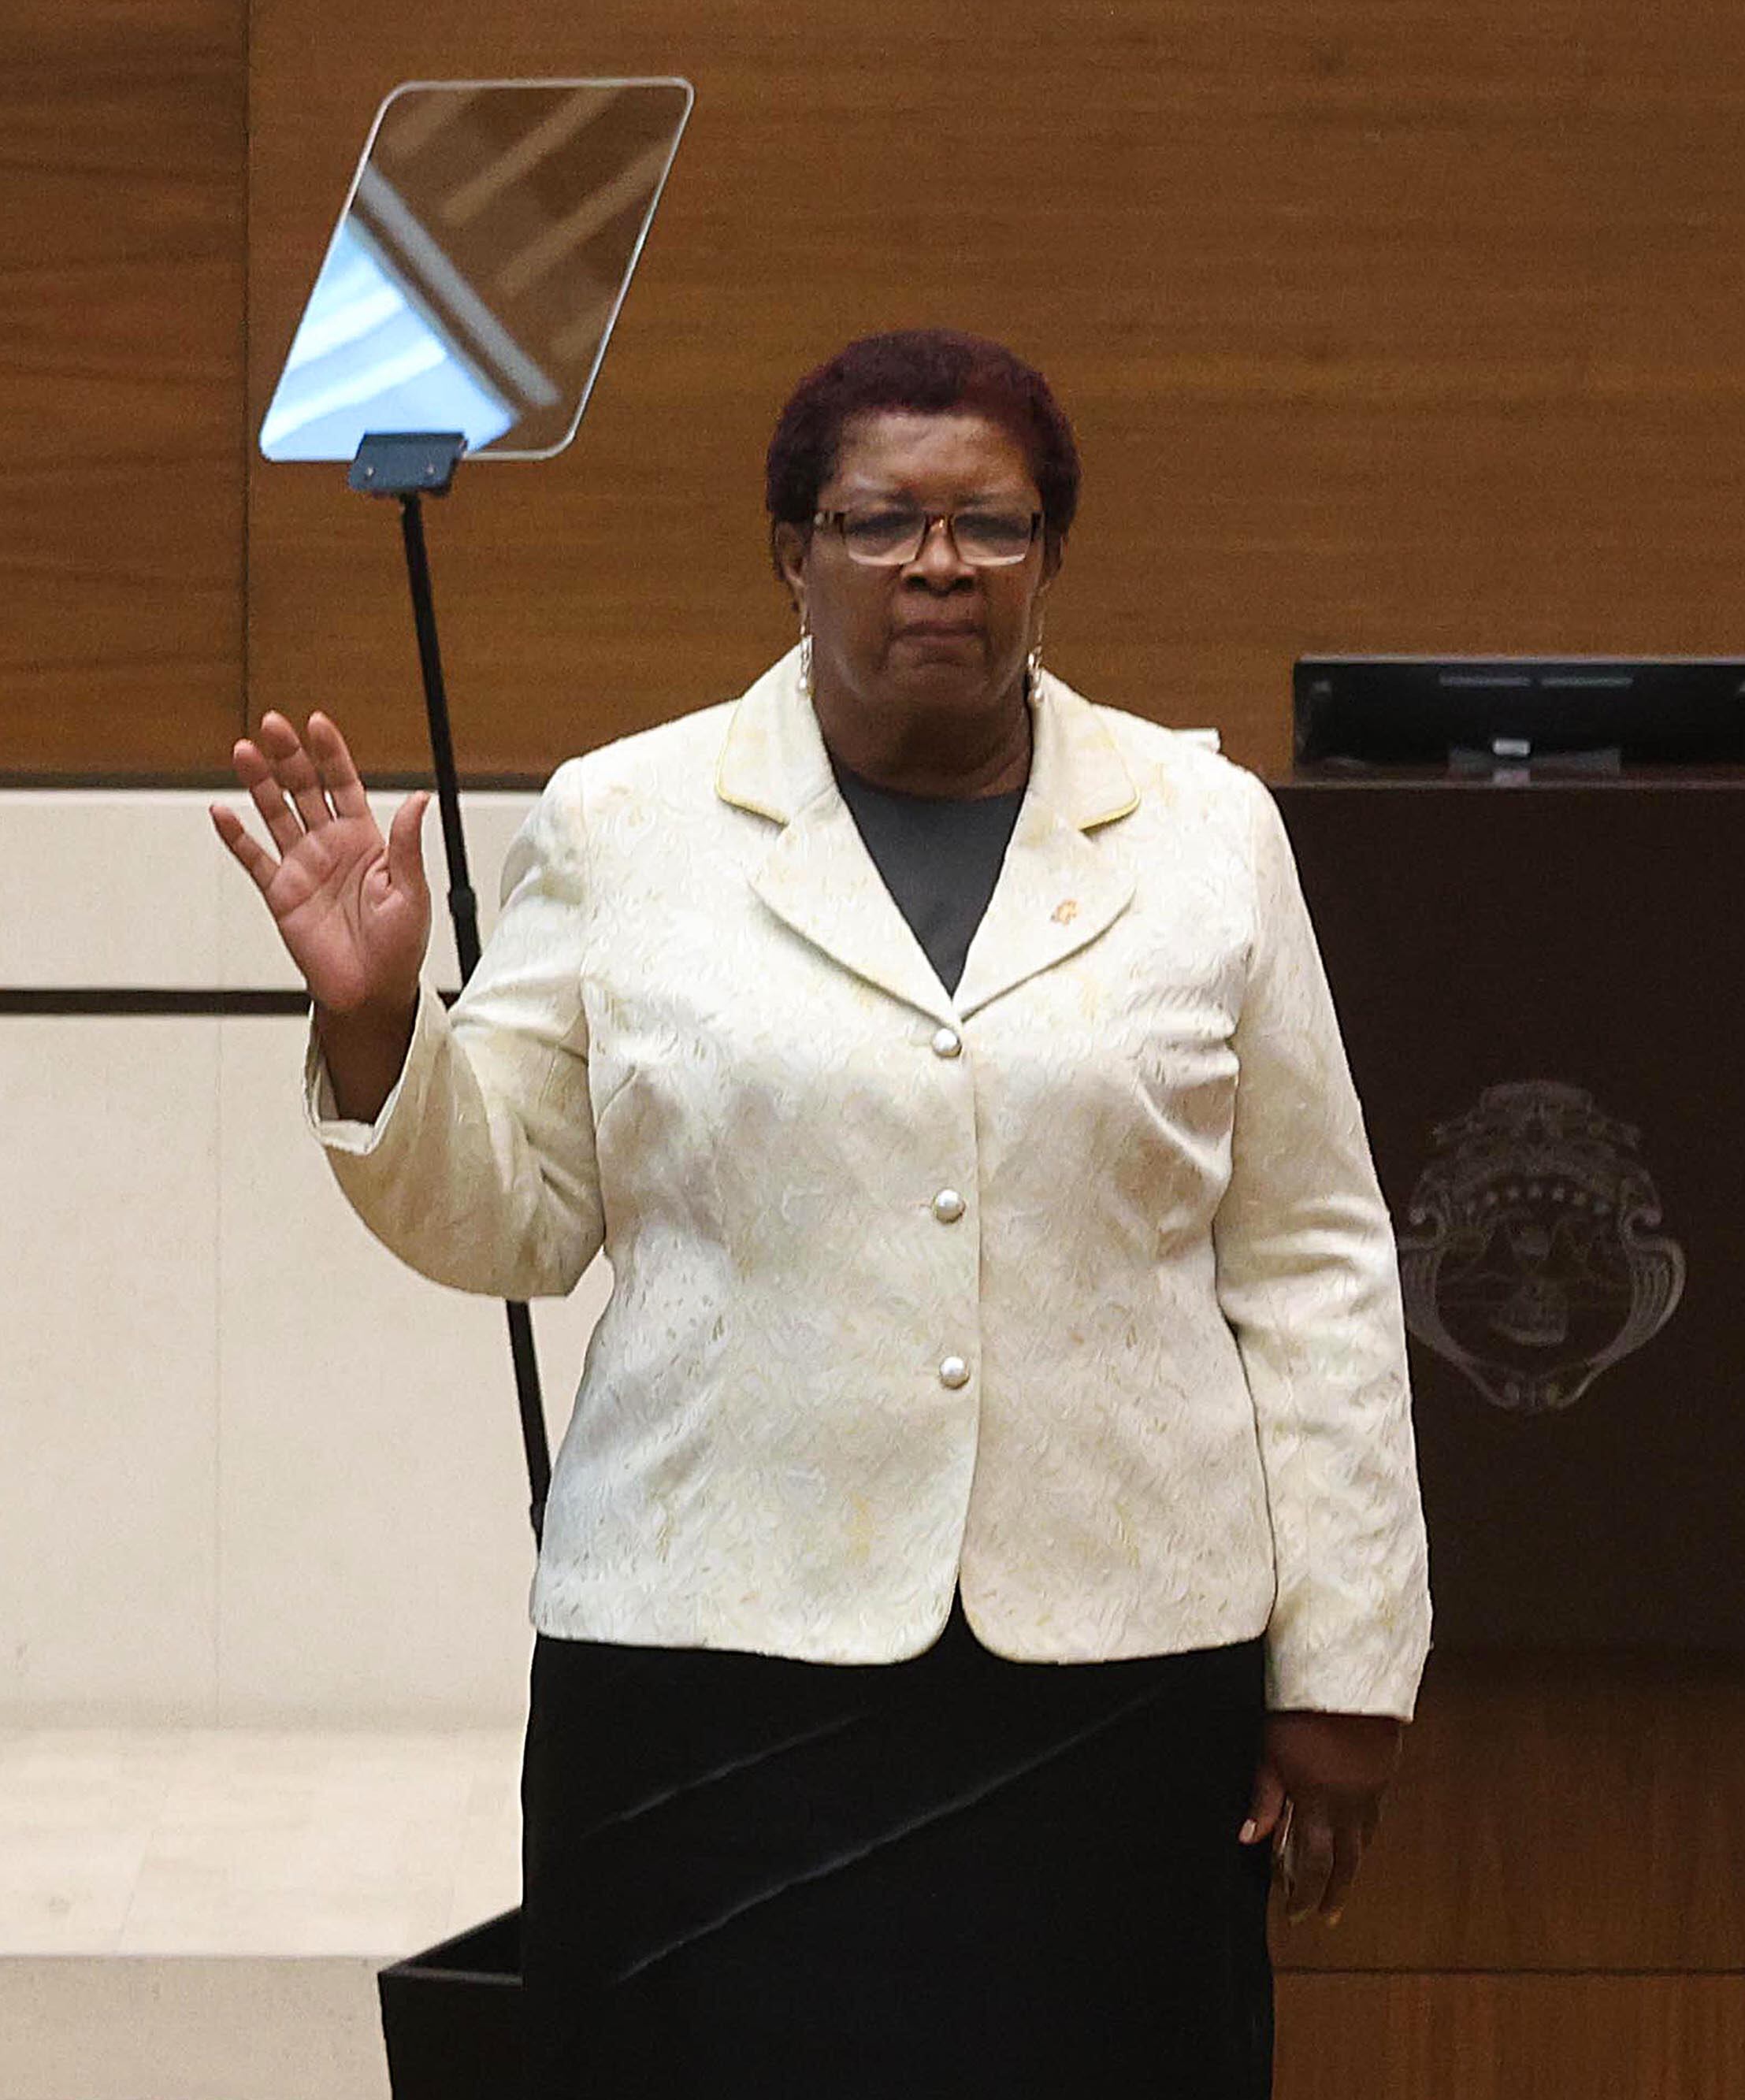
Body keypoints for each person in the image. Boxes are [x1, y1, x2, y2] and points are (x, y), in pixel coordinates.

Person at [211, 328, 1431, 2098]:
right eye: (877, 521)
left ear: (1047, 557)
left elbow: (1312, 1255)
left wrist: (1346, 1661)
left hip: (1111, 1674)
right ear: (789, 549)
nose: (937, 565)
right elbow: (521, 1220)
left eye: (990, 526)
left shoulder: (1205, 833)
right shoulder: (626, 821)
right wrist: (384, 1019)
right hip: (709, 1673)